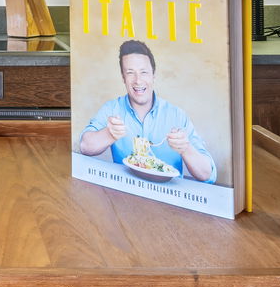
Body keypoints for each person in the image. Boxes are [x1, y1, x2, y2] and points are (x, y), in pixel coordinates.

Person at [75, 39, 216, 182]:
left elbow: (208, 174)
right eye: (130, 73)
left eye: (144, 72)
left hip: (168, 198)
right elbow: (85, 146)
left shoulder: (177, 116)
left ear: (153, 75)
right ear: (123, 77)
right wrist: (109, 133)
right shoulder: (112, 109)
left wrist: (186, 148)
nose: (138, 80)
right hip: (126, 194)